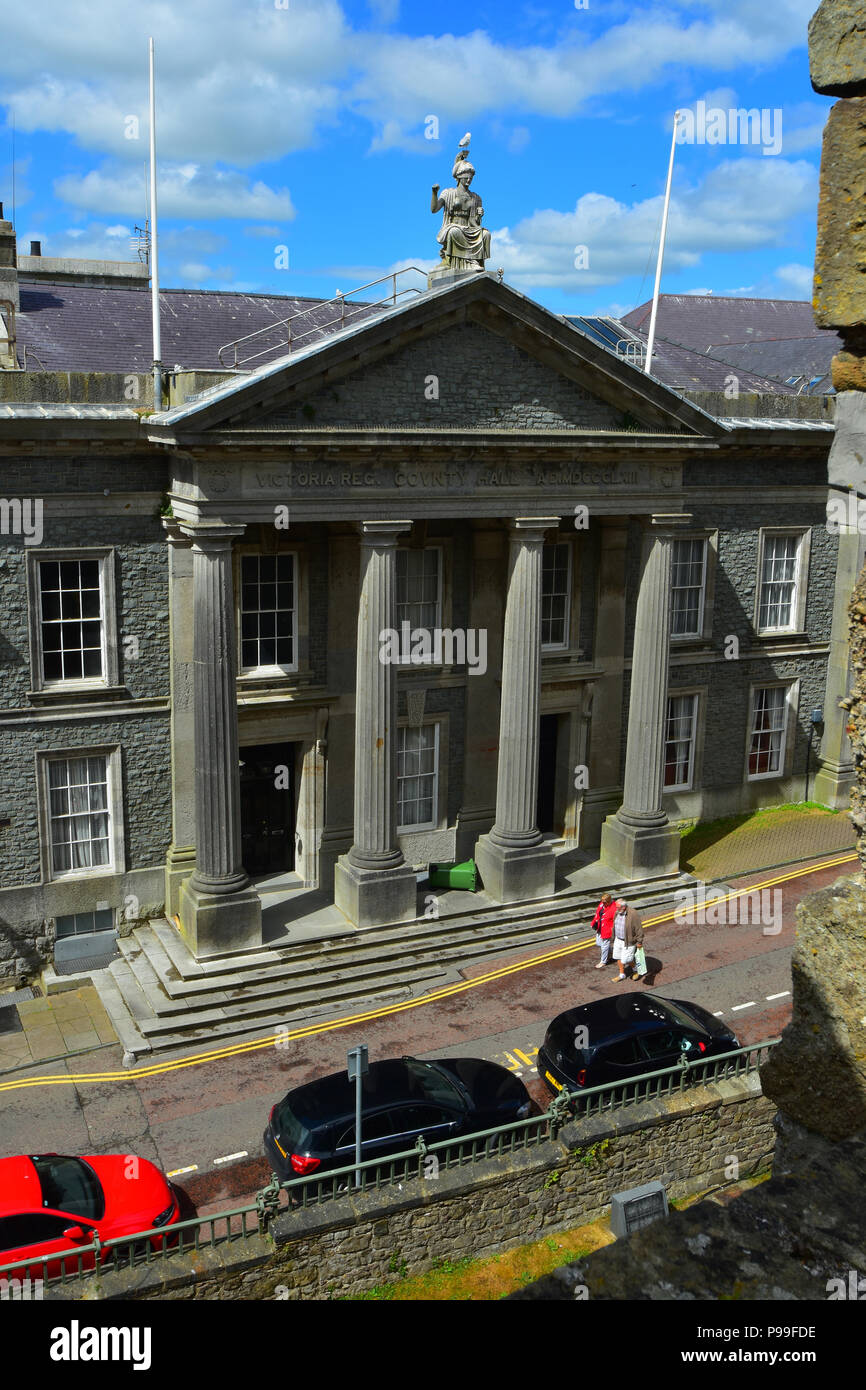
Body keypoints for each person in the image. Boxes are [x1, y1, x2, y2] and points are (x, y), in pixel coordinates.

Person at [611, 897, 644, 982]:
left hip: (629, 941)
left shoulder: (633, 914)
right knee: (617, 956)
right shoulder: (617, 912)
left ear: (624, 907)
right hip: (618, 939)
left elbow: (639, 929)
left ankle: (636, 969)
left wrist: (639, 941)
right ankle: (622, 975)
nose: (616, 909)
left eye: (618, 907)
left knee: (626, 959)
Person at [590, 891, 616, 968]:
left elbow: (615, 920)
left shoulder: (614, 908)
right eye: (602, 902)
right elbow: (597, 913)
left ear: (609, 902)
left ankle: (603, 961)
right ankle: (611, 952)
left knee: (604, 946)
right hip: (600, 927)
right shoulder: (602, 904)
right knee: (599, 943)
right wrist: (593, 923)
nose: (602, 903)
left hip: (607, 930)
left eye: (604, 902)